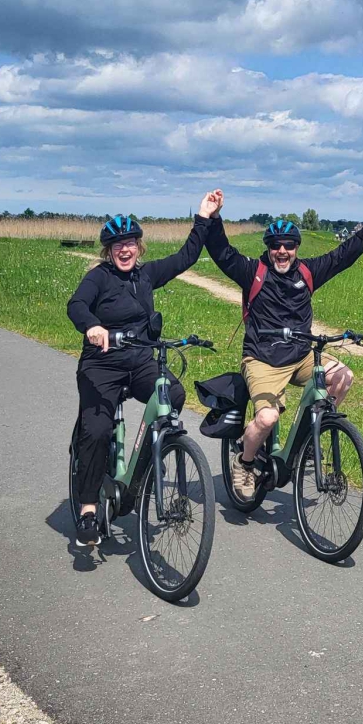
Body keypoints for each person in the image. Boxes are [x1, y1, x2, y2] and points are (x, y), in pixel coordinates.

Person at [206, 197, 363, 500]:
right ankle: (244, 462)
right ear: (269, 247)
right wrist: (213, 219)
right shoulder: (252, 272)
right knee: (267, 418)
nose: (283, 251)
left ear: (297, 248)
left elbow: (342, 256)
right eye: (277, 245)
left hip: (301, 355)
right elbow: (222, 253)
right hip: (263, 359)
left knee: (344, 376)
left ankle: (306, 439)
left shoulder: (307, 273)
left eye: (289, 245)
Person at [66, 190, 223, 547]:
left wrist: (204, 216)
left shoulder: (147, 275)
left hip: (139, 360)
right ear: (108, 250)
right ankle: (89, 508)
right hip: (101, 365)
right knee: (98, 429)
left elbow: (186, 257)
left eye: (131, 243)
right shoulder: (99, 277)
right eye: (117, 244)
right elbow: (76, 304)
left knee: (174, 395)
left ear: (139, 246)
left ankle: (143, 469)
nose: (125, 249)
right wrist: (92, 326)